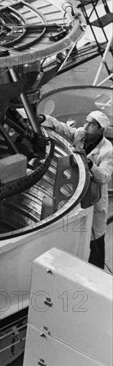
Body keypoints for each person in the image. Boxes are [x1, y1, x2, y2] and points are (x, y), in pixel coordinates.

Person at [38, 110, 113, 270]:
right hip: (76, 193)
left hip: (94, 200)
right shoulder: (80, 134)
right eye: (86, 121)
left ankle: (96, 275)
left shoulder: (108, 150)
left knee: (95, 241)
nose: (85, 126)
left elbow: (105, 177)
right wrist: (42, 119)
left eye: (91, 124)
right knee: (76, 237)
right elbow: (61, 127)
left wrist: (89, 162)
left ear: (101, 130)